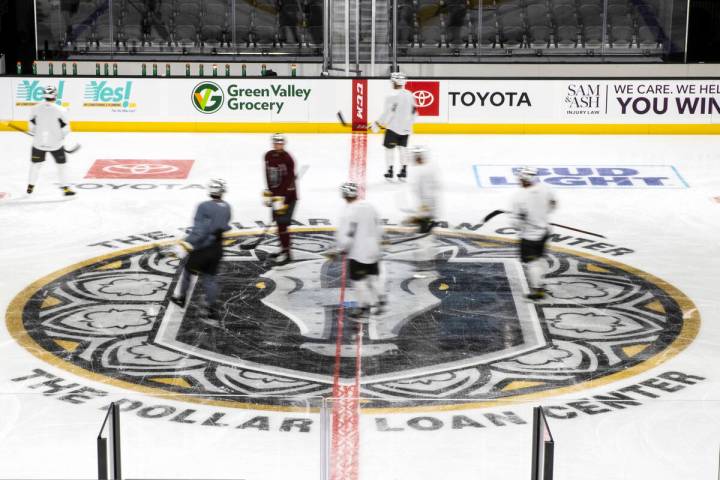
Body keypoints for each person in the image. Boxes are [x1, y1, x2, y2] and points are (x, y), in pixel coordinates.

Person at [170, 179, 232, 321]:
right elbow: (225, 225)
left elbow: (200, 230)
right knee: (210, 278)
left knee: (187, 271)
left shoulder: (204, 206)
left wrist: (186, 242)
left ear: (210, 190)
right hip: (217, 249)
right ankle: (211, 310)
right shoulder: (227, 206)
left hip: (203, 249)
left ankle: (181, 298)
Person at [333, 182, 387, 319]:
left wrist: (341, 249)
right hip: (373, 250)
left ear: (344, 196)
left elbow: (348, 235)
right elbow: (379, 227)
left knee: (359, 281)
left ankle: (363, 307)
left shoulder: (348, 212)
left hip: (358, 253)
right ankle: (381, 299)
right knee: (373, 277)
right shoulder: (370, 206)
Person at [511, 167, 557, 300]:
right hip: (545, 231)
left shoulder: (519, 197)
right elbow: (553, 205)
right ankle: (540, 283)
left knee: (532, 263)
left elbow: (515, 224)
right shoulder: (546, 189)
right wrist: (541, 214)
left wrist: (521, 219)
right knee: (540, 258)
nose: (519, 180)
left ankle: (537, 290)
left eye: (521, 178)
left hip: (530, 237)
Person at [26, 86, 75, 197]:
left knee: (35, 165)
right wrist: (60, 137)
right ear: (55, 95)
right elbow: (66, 129)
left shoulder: (35, 108)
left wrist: (35, 133)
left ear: (44, 95)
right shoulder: (61, 109)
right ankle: (66, 188)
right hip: (56, 145)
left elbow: (31, 126)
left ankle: (30, 187)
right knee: (61, 166)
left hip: (38, 144)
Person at [371, 72, 416, 181]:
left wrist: (377, 124)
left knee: (389, 149)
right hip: (406, 129)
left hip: (393, 129)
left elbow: (388, 113)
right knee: (403, 149)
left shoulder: (391, 96)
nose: (391, 83)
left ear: (395, 82)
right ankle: (403, 171)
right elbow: (414, 111)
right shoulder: (410, 94)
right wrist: (409, 124)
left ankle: (390, 171)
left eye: (392, 81)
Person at [263, 133, 298, 267]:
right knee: (278, 224)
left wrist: (283, 201)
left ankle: (288, 254)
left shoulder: (288, 159)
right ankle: (283, 249)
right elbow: (267, 174)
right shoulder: (268, 155)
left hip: (288, 197)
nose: (278, 145)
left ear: (283, 144)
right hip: (276, 195)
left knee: (282, 224)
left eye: (280, 143)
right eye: (276, 143)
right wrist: (269, 193)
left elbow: (290, 183)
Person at [406, 145, 440, 278]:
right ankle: (429, 265)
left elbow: (427, 195)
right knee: (427, 239)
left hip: (426, 213)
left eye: (416, 156)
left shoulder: (422, 172)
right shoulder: (427, 169)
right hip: (428, 211)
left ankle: (425, 268)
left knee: (422, 240)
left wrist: (421, 216)